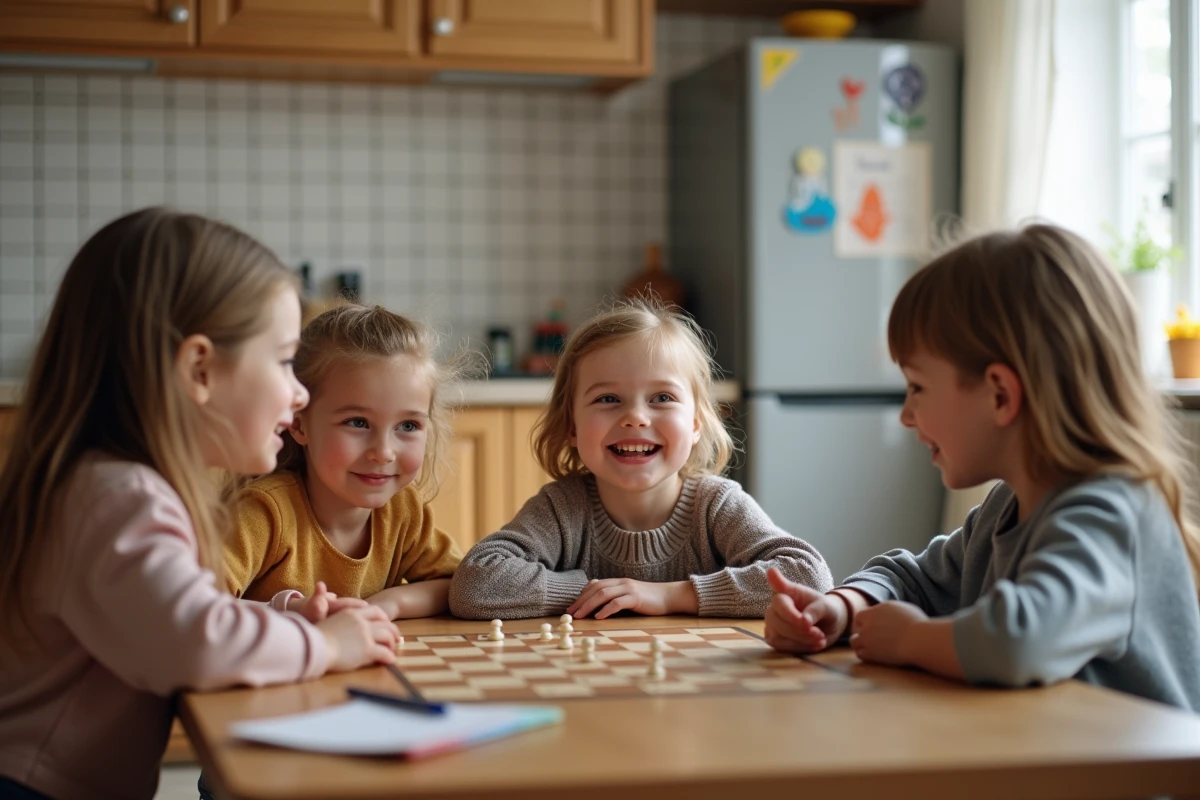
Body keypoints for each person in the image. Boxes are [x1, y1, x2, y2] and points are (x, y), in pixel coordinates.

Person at [0, 208, 401, 800]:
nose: (299, 394)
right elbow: (196, 642)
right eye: (284, 361)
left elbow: (178, 616)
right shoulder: (117, 500)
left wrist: (288, 618)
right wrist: (326, 646)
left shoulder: (108, 487)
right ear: (199, 369)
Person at [764, 223, 1200, 711]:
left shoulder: (1108, 513)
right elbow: (915, 580)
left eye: (917, 388)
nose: (906, 415)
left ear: (1000, 395)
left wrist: (911, 639)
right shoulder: (1008, 506)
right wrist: (843, 607)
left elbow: (1021, 640)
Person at [449, 298, 833, 620]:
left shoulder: (717, 505)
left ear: (696, 424)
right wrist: (603, 592)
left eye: (662, 398)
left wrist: (670, 596)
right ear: (571, 426)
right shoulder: (562, 508)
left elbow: (808, 578)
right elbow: (474, 584)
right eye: (608, 399)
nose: (635, 417)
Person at [224, 304, 464, 622]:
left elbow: (459, 585)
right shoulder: (264, 513)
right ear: (298, 424)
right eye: (357, 422)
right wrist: (290, 610)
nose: (384, 452)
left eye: (408, 426)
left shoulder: (403, 512)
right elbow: (195, 610)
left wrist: (388, 604)